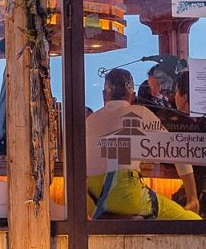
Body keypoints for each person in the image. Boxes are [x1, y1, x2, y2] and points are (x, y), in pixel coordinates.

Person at [83, 67, 198, 220]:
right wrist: (192, 197)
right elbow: (177, 152)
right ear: (133, 96)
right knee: (193, 221)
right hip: (126, 195)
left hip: (92, 201)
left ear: (104, 95)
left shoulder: (90, 121)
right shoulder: (139, 113)